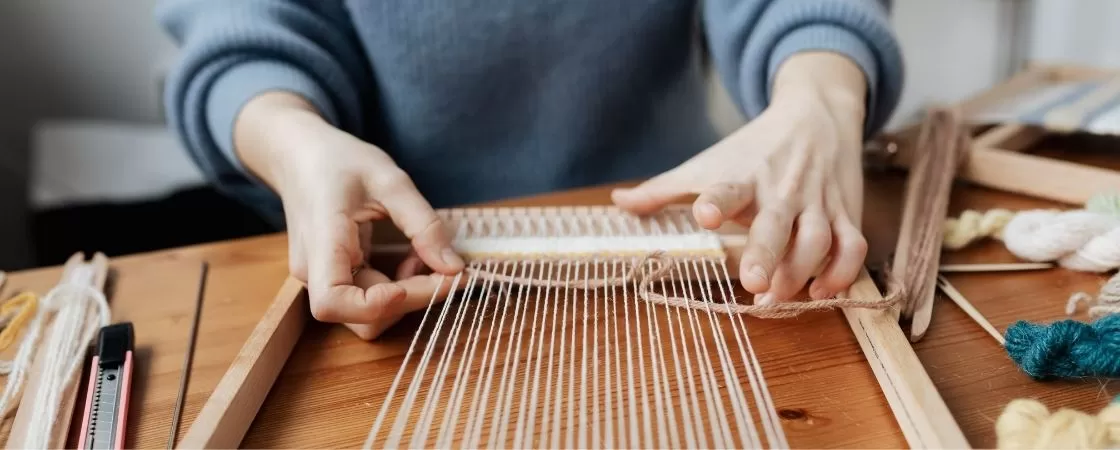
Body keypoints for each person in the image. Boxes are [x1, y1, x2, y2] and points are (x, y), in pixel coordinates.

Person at [157, 0, 904, 339]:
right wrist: (293, 141)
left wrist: (819, 95)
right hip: (399, 264)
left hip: (691, 233)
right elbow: (241, 33)